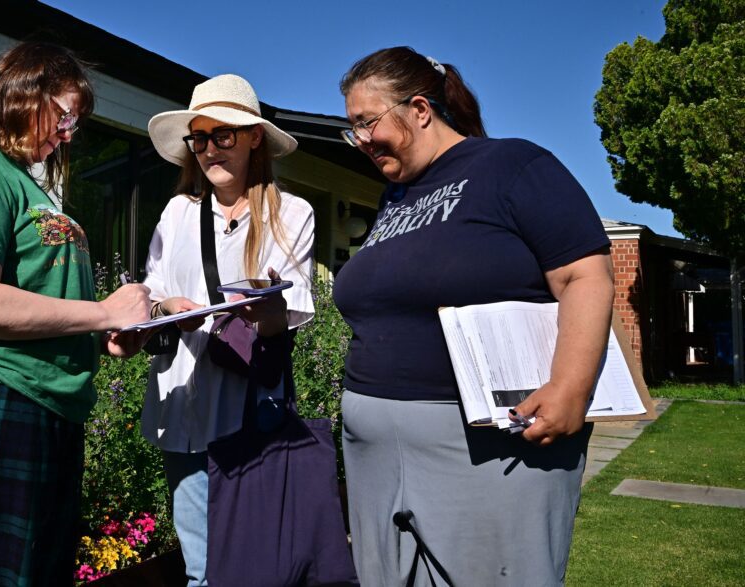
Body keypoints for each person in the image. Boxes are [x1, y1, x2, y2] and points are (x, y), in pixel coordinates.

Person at [333, 47, 615, 586]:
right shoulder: (395, 197)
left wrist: (571, 387)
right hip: (375, 453)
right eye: (354, 129)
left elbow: (585, 275)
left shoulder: (512, 165)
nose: (362, 141)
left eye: (367, 123)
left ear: (419, 109)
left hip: (484, 447)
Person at [0, 41, 151, 585]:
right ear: (21, 91)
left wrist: (105, 333)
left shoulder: (19, 180)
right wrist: (99, 312)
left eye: (75, 125)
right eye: (64, 116)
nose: (68, 136)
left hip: (41, 406)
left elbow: (39, 299)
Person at [141, 74, 315, 586]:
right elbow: (152, 294)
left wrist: (261, 308)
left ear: (254, 138)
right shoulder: (177, 213)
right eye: (200, 138)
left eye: (224, 135)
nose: (210, 149)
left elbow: (289, 315)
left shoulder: (290, 214)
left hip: (249, 411)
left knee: (255, 565)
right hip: (183, 406)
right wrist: (169, 305)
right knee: (201, 569)